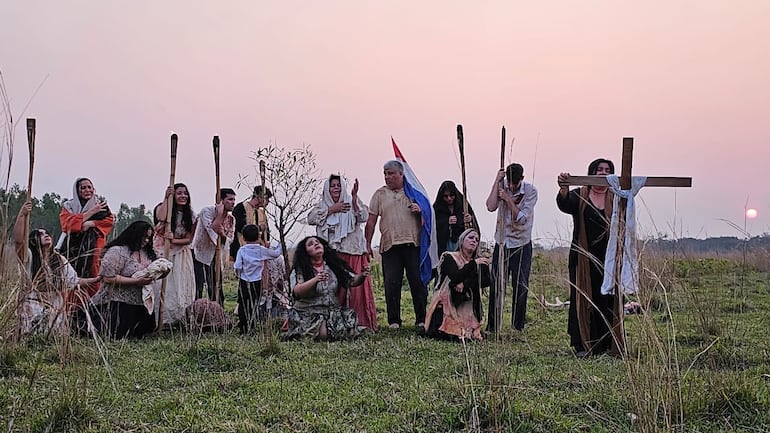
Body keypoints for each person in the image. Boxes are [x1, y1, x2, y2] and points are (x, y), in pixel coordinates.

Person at [13, 201, 101, 334]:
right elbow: (19, 241)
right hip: (33, 303)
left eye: (46, 233)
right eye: (41, 234)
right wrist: (22, 215)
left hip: (54, 305)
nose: (46, 235)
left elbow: (74, 280)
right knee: (33, 334)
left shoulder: (59, 259)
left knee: (53, 335)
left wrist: (96, 279)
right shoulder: (29, 257)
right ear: (33, 240)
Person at [557, 158, 616, 357]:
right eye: (599, 169)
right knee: (582, 299)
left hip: (608, 259)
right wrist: (564, 187)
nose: (603, 172)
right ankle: (583, 344)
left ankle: (607, 344)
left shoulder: (616, 197)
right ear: (591, 172)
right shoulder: (580, 195)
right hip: (582, 257)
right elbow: (565, 204)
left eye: (607, 170)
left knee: (607, 299)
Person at [307, 174, 377, 330]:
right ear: (327, 188)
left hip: (353, 252)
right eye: (333, 185)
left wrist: (354, 198)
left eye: (338, 185)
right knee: (335, 288)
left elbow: (363, 217)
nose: (336, 188)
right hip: (333, 254)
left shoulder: (351, 202)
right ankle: (336, 325)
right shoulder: (322, 206)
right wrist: (331, 210)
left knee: (356, 287)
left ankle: (360, 323)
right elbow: (311, 219)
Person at [365, 160, 428, 333]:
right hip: (390, 245)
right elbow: (371, 221)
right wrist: (367, 244)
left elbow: (428, 212)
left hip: (413, 244)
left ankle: (421, 319)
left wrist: (420, 209)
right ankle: (394, 321)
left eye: (391, 173)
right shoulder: (379, 194)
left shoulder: (413, 192)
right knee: (392, 283)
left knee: (417, 282)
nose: (387, 177)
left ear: (401, 174)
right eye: (385, 173)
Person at [486, 163, 538, 332]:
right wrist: (497, 182)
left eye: (514, 183)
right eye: (509, 182)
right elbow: (490, 206)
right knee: (496, 284)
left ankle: (517, 327)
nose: (511, 186)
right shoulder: (502, 186)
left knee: (520, 285)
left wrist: (507, 199)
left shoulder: (530, 191)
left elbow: (521, 218)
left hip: (521, 243)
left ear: (521, 179)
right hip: (502, 242)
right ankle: (493, 326)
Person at [284, 236, 368, 341]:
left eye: (317, 242)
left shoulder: (333, 266)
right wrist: (315, 280)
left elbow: (352, 281)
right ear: (305, 252)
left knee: (349, 323)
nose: (315, 244)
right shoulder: (299, 270)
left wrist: (362, 275)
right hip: (308, 313)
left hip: (332, 313)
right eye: (310, 244)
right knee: (324, 334)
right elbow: (297, 292)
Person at [94, 220, 168, 339]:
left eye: (149, 238)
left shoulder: (147, 253)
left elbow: (154, 272)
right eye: (144, 237)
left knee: (140, 334)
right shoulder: (117, 251)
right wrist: (136, 282)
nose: (146, 241)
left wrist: (164, 272)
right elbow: (108, 278)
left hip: (140, 303)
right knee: (118, 334)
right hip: (117, 303)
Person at [230, 185, 288, 319]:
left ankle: (261, 309)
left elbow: (266, 230)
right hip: (244, 248)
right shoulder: (241, 208)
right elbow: (239, 227)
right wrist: (258, 228)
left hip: (260, 251)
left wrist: (267, 241)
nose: (267, 203)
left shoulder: (262, 212)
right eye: (266, 199)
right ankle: (243, 311)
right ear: (260, 197)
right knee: (244, 289)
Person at [425, 228, 491, 341]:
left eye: (476, 240)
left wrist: (464, 283)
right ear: (461, 241)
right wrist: (472, 265)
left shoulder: (479, 262)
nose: (474, 241)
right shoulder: (449, 257)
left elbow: (486, 281)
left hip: (469, 301)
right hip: (448, 300)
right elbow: (455, 276)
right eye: (470, 238)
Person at [59, 177, 114, 303]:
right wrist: (90, 212)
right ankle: (71, 309)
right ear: (77, 190)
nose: (87, 190)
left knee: (94, 276)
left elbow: (109, 221)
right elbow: (67, 224)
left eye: (89, 187)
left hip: (94, 248)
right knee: (70, 277)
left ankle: (91, 306)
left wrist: (92, 223)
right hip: (71, 249)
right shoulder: (69, 206)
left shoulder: (100, 204)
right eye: (83, 188)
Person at [153, 183, 196, 325]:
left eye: (185, 193)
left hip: (181, 254)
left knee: (179, 286)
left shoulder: (191, 216)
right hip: (162, 253)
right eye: (179, 193)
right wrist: (167, 198)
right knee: (162, 286)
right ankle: (160, 318)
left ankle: (178, 318)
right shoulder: (163, 208)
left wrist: (174, 240)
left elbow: (189, 239)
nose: (183, 196)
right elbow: (161, 216)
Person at [233, 224, 283, 334]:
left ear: (244, 238)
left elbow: (237, 266)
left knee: (242, 303)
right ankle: (251, 325)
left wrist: (238, 273)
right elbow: (275, 254)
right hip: (257, 281)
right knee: (254, 303)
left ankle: (243, 326)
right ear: (259, 237)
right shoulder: (261, 250)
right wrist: (280, 244)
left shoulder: (241, 250)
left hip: (243, 281)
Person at [191, 188, 236, 304]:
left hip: (215, 255)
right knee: (198, 286)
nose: (233, 202)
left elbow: (229, 240)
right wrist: (220, 214)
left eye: (234, 199)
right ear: (221, 200)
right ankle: (196, 314)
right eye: (230, 199)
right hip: (199, 253)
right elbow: (211, 230)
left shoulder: (231, 219)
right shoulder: (207, 211)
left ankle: (217, 313)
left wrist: (223, 235)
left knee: (216, 286)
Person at [432, 180, 478, 256]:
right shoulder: (437, 208)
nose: (449, 198)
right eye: (446, 196)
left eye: (451, 195)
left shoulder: (463, 205)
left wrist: (469, 219)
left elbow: (473, 225)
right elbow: (433, 224)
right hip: (443, 245)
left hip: (461, 243)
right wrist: (446, 221)